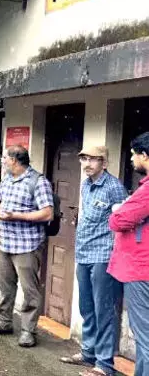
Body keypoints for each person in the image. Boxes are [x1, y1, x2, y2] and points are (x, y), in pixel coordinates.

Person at [57, 146, 127, 376]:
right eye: (84, 159)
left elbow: (124, 220)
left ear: (104, 163)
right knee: (86, 306)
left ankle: (104, 365)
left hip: (104, 256)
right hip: (84, 252)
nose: (87, 163)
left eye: (93, 160)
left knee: (103, 309)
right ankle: (88, 353)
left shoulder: (114, 187)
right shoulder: (86, 184)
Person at [0, 145, 54, 348]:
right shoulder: (7, 179)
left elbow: (47, 213)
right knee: (5, 285)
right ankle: (3, 321)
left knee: (29, 290)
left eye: (4, 157)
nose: (2, 160)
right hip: (5, 242)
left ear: (14, 160)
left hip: (27, 245)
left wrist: (16, 216)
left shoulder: (38, 182)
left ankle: (28, 331)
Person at [107, 132, 149, 376]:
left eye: (134, 154)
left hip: (141, 270)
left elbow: (118, 220)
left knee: (144, 335)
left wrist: (118, 210)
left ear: (145, 155)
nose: (132, 160)